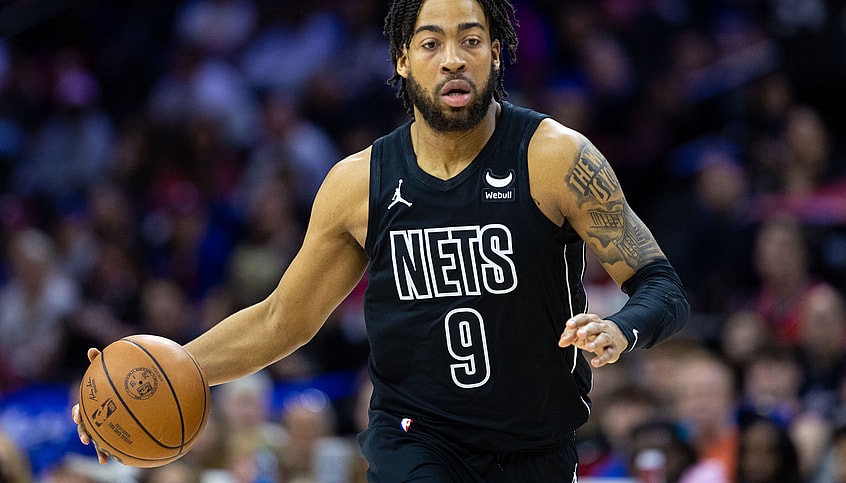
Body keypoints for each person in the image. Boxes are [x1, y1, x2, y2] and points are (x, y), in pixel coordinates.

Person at [72, 0, 689, 480]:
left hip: (538, 444)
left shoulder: (555, 158)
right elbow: (281, 319)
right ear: (401, 58)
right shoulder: (357, 183)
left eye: (472, 40)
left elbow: (661, 286)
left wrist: (624, 327)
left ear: (497, 54)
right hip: (415, 435)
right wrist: (144, 383)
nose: (453, 58)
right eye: (431, 42)